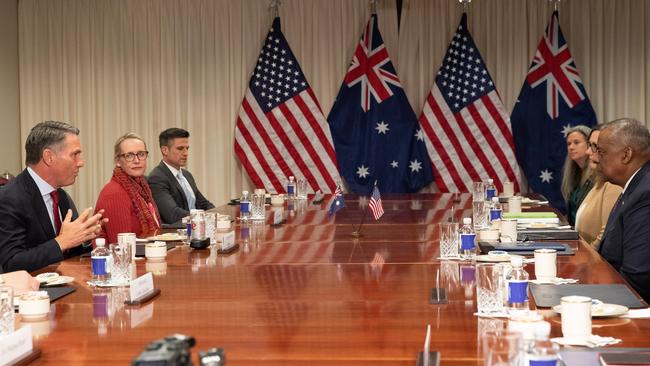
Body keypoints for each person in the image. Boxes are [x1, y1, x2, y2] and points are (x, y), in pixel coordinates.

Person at [0, 121, 105, 272]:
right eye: (75, 155)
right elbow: (11, 264)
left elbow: (70, 254)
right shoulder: (8, 199)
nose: (81, 163)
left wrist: (85, 236)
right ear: (49, 157)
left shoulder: (60, 196)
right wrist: (62, 242)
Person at [597, 118, 650, 302]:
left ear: (626, 155)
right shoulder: (635, 186)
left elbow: (638, 276)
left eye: (602, 152)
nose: (596, 158)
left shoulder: (645, 193)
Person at [95, 133, 161, 243]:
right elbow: (121, 247)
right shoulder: (115, 193)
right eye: (129, 156)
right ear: (118, 161)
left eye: (141, 154)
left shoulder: (142, 187)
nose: (137, 160)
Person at [148, 128, 214, 226]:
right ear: (165, 150)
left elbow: (204, 204)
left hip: (197, 230)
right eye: (180, 148)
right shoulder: (157, 178)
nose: (185, 153)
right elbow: (173, 214)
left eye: (187, 148)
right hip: (176, 236)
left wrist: (217, 215)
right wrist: (203, 218)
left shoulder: (187, 175)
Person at [574, 126, 622, 249]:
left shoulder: (613, 184)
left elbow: (606, 233)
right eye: (589, 145)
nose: (588, 152)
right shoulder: (599, 181)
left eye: (595, 146)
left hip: (593, 261)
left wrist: (585, 255)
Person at [561, 125, 595, 226]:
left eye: (576, 142)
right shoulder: (574, 175)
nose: (571, 147)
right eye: (569, 144)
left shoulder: (597, 175)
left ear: (589, 145)